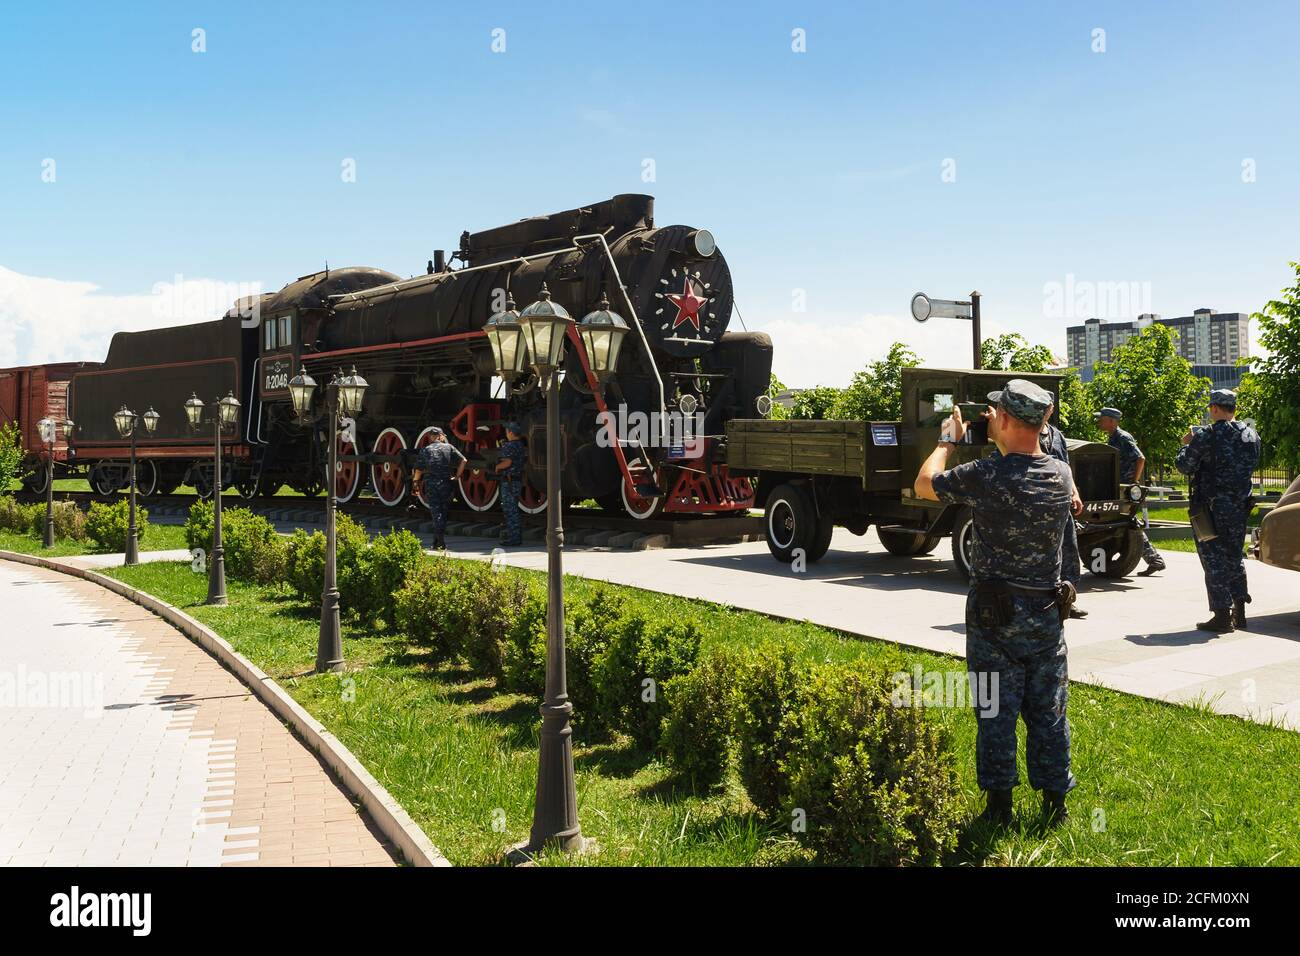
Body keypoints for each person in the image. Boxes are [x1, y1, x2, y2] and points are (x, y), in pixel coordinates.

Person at [915, 379, 1077, 828]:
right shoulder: (1061, 474)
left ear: (1004, 419)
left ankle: (999, 809)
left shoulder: (986, 475)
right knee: (1049, 711)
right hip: (1047, 615)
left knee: (994, 709)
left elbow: (925, 484)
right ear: (1045, 422)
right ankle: (1054, 806)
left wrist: (947, 441)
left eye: (996, 413)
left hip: (994, 619)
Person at [1175, 389, 1260, 633]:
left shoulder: (1207, 435)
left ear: (1214, 408)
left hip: (1211, 506)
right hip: (1239, 505)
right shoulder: (1251, 435)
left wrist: (1186, 445)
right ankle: (1239, 610)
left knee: (1212, 557)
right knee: (1235, 555)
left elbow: (1184, 466)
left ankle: (1222, 615)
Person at [1094, 407, 1166, 576]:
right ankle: (1154, 559)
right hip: (1118, 486)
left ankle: (1155, 559)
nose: (1099, 421)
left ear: (1112, 421)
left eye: (1102, 419)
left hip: (1124, 488)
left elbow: (1140, 458)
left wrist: (1133, 482)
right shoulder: (1113, 438)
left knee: (1129, 521)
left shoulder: (1123, 437)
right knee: (1127, 521)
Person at [1039, 401, 1086, 618]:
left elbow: (1066, 467)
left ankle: (1068, 599)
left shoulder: (1057, 435)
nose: (1047, 410)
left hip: (1061, 502)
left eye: (1048, 406)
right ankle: (1044, 600)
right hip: (1039, 504)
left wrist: (1074, 492)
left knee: (1069, 550)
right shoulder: (1028, 433)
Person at [411, 426, 466, 550]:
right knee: (443, 512)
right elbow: (464, 460)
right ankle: (437, 542)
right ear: (441, 436)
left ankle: (440, 542)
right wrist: (457, 477)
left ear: (431, 437)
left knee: (436, 513)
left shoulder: (425, 450)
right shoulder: (449, 447)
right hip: (446, 483)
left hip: (431, 484)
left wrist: (415, 483)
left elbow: (418, 469)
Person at [494, 422, 526, 547]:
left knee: (510, 510)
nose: (506, 433)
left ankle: (514, 538)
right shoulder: (520, 445)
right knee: (514, 509)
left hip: (509, 480)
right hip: (517, 480)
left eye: (507, 431)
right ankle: (515, 536)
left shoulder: (510, 446)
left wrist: (497, 467)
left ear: (511, 433)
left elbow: (507, 462)